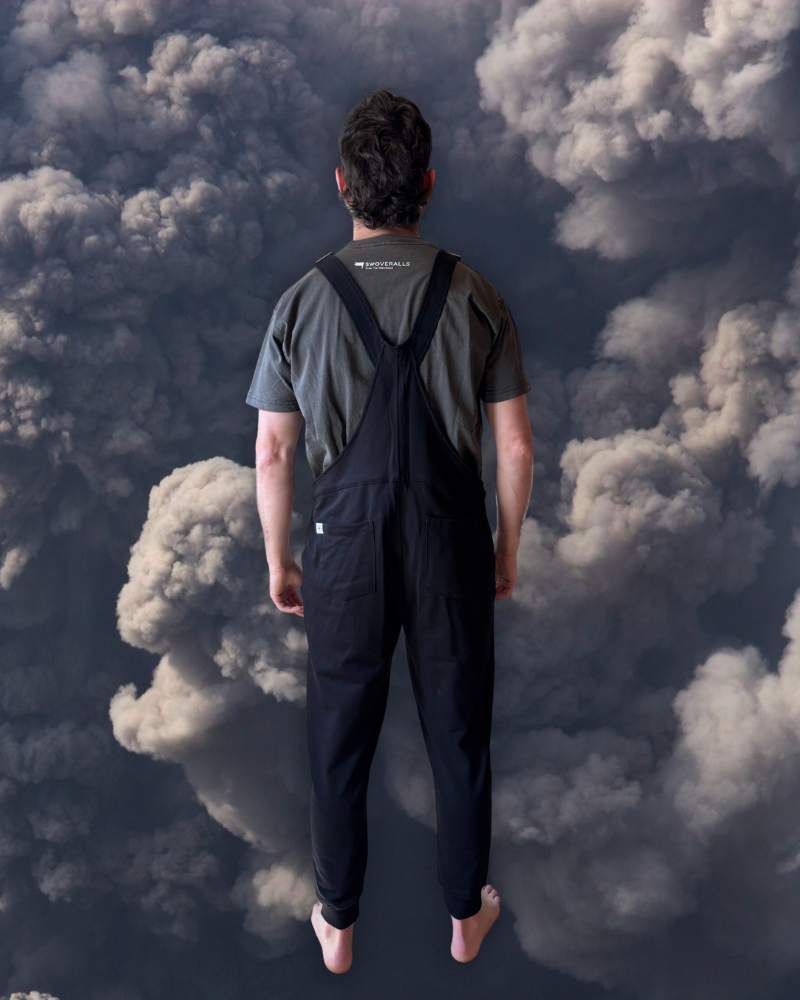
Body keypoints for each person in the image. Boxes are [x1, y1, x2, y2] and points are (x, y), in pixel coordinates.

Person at [246, 89, 534, 973]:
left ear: (342, 187)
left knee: (339, 735)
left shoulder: (301, 301)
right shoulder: (478, 292)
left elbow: (271, 452)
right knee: (459, 734)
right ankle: (463, 917)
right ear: (429, 185)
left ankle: (337, 921)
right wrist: (506, 551)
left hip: (342, 543)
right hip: (451, 543)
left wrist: (280, 561)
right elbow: (514, 444)